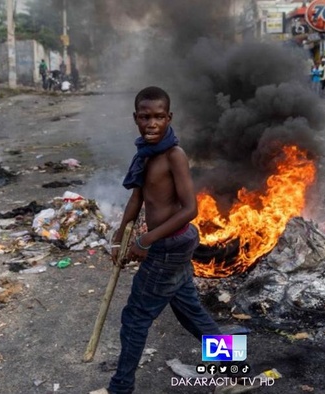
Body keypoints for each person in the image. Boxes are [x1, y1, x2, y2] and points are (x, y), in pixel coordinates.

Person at [106, 86, 221, 394]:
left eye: (159, 117)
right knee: (192, 313)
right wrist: (120, 236)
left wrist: (145, 240)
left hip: (170, 245)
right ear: (135, 118)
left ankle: (120, 389)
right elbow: (137, 198)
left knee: (134, 318)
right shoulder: (145, 154)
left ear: (169, 117)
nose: (152, 123)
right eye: (145, 117)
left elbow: (190, 209)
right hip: (171, 244)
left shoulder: (174, 156)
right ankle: (235, 374)